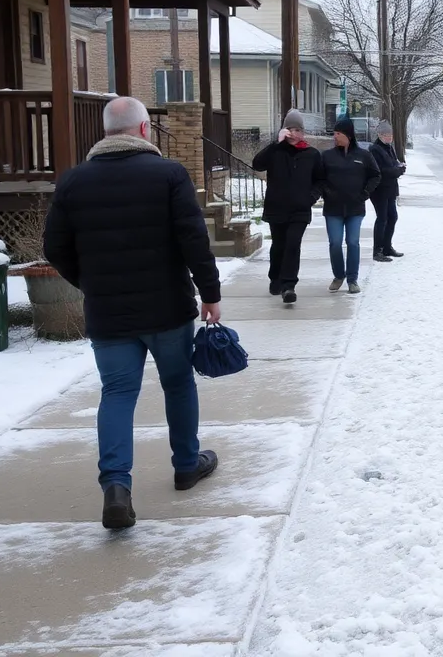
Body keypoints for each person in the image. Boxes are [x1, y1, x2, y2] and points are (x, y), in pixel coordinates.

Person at [43, 97, 222, 530]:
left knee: (117, 394)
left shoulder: (73, 182)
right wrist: (210, 294)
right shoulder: (169, 175)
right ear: (144, 131)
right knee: (178, 385)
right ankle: (185, 464)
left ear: (104, 132)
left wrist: (89, 283)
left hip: (109, 314)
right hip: (167, 308)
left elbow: (54, 248)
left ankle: (117, 488)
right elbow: (193, 239)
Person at [252, 110, 323, 303]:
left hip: (300, 210)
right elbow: (257, 164)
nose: (295, 133)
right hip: (277, 207)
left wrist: (311, 197)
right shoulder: (276, 152)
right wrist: (275, 143)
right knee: (279, 246)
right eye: (291, 129)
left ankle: (289, 285)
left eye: (299, 130)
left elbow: (319, 180)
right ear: (285, 130)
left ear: (303, 132)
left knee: (293, 245)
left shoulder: (312, 154)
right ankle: (275, 278)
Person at [320, 117, 380, 293]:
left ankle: (352, 279)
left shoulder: (364, 155)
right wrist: (327, 193)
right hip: (333, 208)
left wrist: (365, 193)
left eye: (338, 133)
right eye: (334, 133)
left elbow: (375, 175)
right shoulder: (327, 156)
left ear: (348, 135)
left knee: (353, 242)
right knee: (335, 243)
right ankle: (339, 275)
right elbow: (319, 178)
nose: (335, 137)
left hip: (355, 208)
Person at [368, 120, 406, 262]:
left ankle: (387, 246)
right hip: (379, 190)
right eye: (385, 134)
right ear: (379, 135)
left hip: (390, 189)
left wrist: (399, 166)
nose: (389, 137)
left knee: (392, 217)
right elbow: (380, 170)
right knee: (382, 219)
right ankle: (377, 251)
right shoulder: (375, 149)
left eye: (390, 134)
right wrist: (397, 170)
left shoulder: (389, 148)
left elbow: (393, 163)